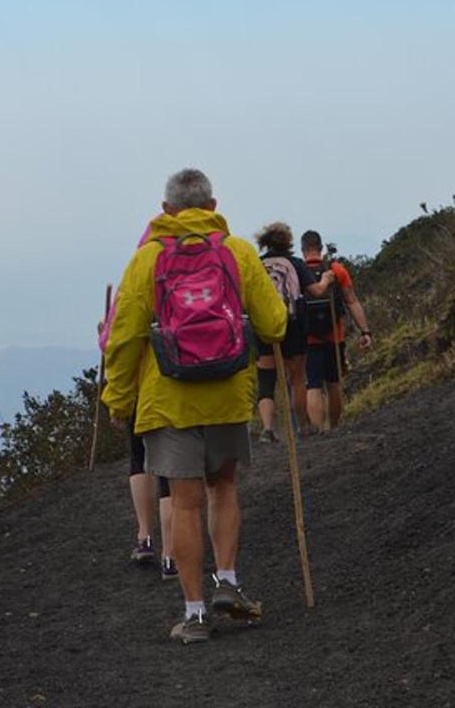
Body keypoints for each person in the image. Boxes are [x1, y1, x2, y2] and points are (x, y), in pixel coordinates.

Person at [103, 168, 286, 644]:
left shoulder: (146, 260)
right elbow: (275, 322)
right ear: (213, 205)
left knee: (184, 504)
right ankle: (228, 581)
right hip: (227, 393)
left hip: (169, 399)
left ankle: (195, 614)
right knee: (223, 489)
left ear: (166, 212)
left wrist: (119, 397)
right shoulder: (239, 252)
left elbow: (123, 337)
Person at [99, 218, 177, 580]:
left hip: (142, 386)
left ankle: (145, 536)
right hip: (184, 383)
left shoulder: (138, 270)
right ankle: (172, 554)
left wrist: (117, 398)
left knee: (139, 457)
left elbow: (114, 342)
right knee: (174, 475)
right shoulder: (201, 267)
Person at [253, 222, 334, 443]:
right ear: (288, 242)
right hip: (293, 325)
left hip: (263, 327)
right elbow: (316, 292)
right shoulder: (295, 264)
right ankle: (303, 426)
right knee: (297, 378)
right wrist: (326, 279)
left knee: (266, 380)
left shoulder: (256, 265)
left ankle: (268, 429)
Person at [301, 230, 373, 432]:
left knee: (313, 384)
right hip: (335, 336)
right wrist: (365, 331)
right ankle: (334, 429)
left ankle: (317, 431)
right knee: (333, 383)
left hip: (308, 339)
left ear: (303, 249)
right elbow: (352, 301)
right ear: (321, 248)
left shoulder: (299, 273)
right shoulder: (336, 269)